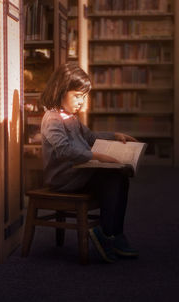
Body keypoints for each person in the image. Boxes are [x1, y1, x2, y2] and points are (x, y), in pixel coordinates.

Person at [41, 62, 139, 263]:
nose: (81, 102)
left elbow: (90, 137)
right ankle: (107, 234)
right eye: (77, 96)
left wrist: (115, 136)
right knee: (111, 177)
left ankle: (113, 233)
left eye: (84, 97)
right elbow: (64, 150)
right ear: (61, 90)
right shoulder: (52, 119)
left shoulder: (71, 117)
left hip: (78, 172)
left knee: (121, 176)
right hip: (64, 178)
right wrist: (97, 157)